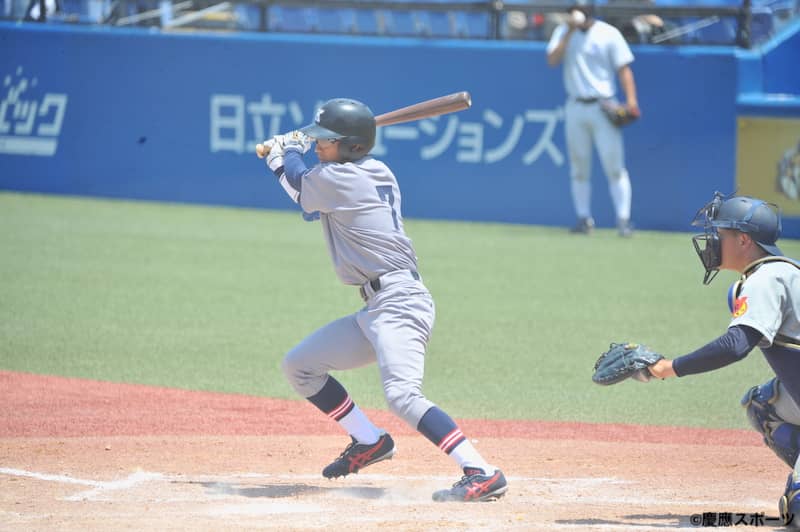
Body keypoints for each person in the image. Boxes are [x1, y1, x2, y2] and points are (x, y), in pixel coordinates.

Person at [259, 98, 508, 502]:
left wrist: (282, 152)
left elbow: (300, 189)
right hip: (377, 307)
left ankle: (481, 470)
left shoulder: (343, 178)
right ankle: (369, 440)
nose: (319, 144)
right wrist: (290, 153)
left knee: (403, 395)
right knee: (300, 366)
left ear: (353, 146)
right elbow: (308, 193)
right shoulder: (369, 170)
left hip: (399, 303)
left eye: (326, 140)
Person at [641, 192, 800, 527]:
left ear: (743, 240)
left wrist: (669, 367)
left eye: (721, 233)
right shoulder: (784, 273)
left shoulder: (766, 278)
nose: (713, 241)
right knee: (764, 404)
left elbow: (735, 345)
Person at [546, 4, 641, 237]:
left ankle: (623, 220)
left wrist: (631, 101)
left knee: (614, 166)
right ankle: (583, 218)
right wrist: (569, 31)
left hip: (604, 105)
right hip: (576, 105)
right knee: (579, 167)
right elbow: (552, 60)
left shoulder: (608, 33)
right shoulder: (563, 31)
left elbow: (624, 69)